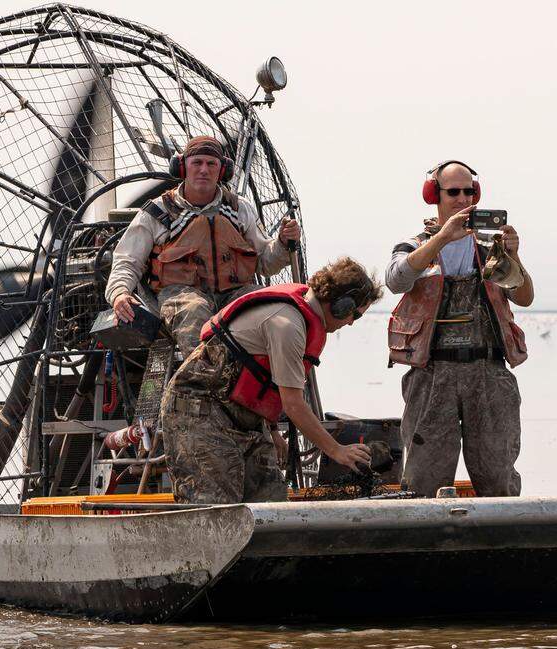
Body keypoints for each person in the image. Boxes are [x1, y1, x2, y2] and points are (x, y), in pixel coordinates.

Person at [161, 257, 383, 504]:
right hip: (198, 414)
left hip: (244, 420)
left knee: (271, 504)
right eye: (355, 315)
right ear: (341, 305)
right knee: (216, 511)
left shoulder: (301, 319)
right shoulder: (287, 325)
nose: (351, 323)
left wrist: (273, 429)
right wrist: (336, 451)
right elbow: (294, 405)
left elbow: (264, 380)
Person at [384, 160, 534, 498]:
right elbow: (394, 280)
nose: (463, 198)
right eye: (454, 192)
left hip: (488, 374)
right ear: (434, 196)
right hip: (432, 374)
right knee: (425, 478)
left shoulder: (488, 249)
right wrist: (441, 239)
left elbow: (524, 297)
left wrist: (515, 257)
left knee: (499, 476)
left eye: (469, 191)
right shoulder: (414, 246)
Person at [105, 135, 301, 354]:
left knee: (273, 309)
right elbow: (127, 261)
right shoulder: (157, 212)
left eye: (211, 164)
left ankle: (269, 382)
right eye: (197, 163)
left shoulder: (239, 209)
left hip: (234, 294)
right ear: (182, 167)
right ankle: (203, 384)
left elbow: (266, 262)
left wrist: (283, 242)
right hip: (180, 296)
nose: (204, 170)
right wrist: (120, 293)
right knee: (195, 311)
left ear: (222, 170)